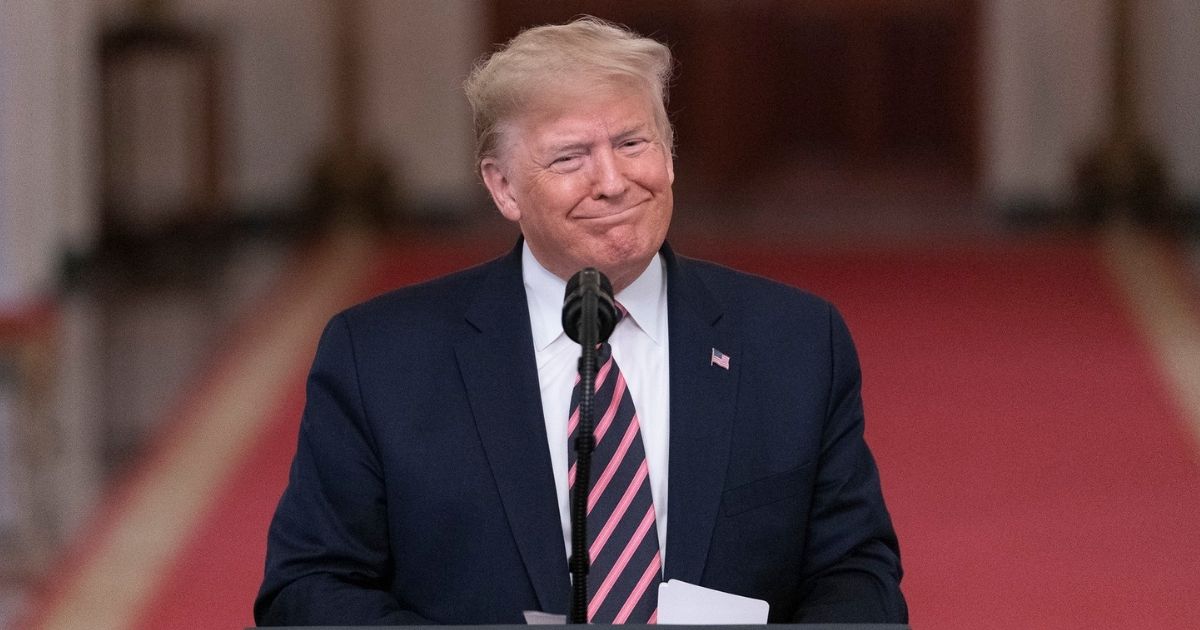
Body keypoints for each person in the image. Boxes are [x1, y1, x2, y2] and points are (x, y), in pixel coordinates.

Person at [256, 16, 905, 625]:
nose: (613, 180)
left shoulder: (794, 341)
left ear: (669, 155)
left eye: (632, 143)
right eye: (570, 157)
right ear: (503, 186)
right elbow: (308, 588)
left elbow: (857, 574)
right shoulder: (380, 358)